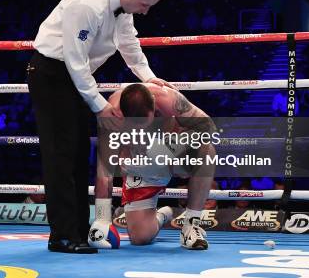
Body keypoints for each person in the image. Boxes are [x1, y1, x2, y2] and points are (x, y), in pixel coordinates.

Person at [27, 0, 171, 253]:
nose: (145, 11)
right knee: (60, 155)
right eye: (143, 4)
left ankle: (78, 231)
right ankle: (62, 236)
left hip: (75, 78)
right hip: (53, 74)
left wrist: (148, 77)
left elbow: (129, 44)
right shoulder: (88, 4)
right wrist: (99, 104)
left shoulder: (122, 6)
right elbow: (74, 59)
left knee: (80, 154)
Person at [90, 83, 216, 250]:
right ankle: (162, 215)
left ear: (155, 105)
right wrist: (102, 218)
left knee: (207, 152)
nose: (141, 129)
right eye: (135, 125)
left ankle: (191, 226)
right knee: (140, 238)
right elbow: (104, 169)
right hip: (138, 167)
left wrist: (168, 147)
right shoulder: (111, 115)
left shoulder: (170, 101)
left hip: (172, 157)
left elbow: (209, 129)